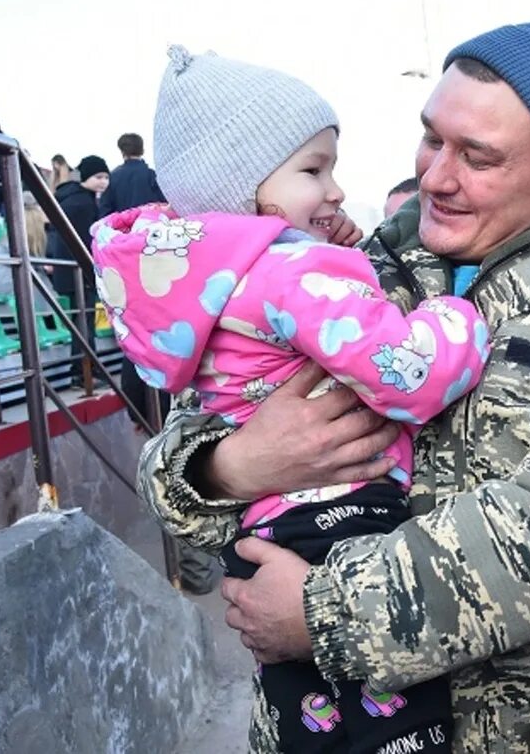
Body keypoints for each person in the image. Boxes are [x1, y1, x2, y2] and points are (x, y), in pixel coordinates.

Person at [137, 0, 530, 750]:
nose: (437, 177)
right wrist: (229, 468)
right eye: (431, 139)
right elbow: (169, 472)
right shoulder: (341, 269)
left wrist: (325, 612)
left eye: (478, 156)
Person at [94, 45, 490, 754]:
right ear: (244, 188)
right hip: (345, 519)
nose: (336, 190)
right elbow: (409, 374)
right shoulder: (290, 274)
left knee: (310, 714)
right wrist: (455, 321)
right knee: (399, 724)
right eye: (314, 170)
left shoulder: (213, 282)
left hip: (271, 528)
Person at [46, 154, 106, 380]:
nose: (103, 182)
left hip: (69, 274)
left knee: (82, 324)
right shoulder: (82, 203)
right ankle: (85, 373)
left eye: (105, 178)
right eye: (98, 177)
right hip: (80, 274)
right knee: (84, 325)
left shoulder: (71, 198)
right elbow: (86, 242)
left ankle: (83, 370)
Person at [98, 132, 164, 218]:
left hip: (121, 228)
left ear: (122, 152)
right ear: (142, 150)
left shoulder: (112, 177)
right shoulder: (153, 176)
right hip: (151, 226)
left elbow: (105, 212)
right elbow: (165, 205)